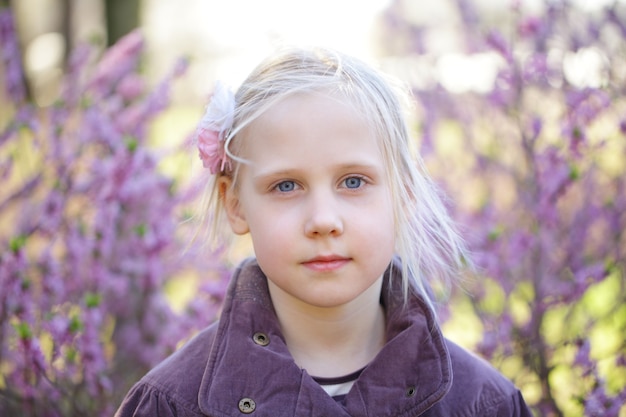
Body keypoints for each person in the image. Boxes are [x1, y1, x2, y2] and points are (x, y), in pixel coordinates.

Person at [115, 46, 533, 416]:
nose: (322, 220)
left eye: (353, 182)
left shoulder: (484, 403)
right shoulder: (169, 404)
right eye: (286, 186)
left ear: (403, 194)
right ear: (235, 204)